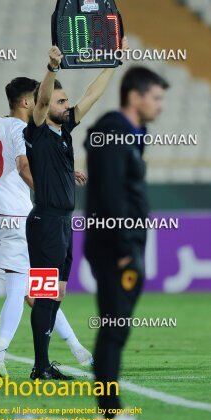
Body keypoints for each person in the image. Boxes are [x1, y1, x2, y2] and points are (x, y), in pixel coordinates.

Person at [0, 73, 93, 378]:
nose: (41, 102)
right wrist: (48, 190)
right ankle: (0, 356)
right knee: (30, 290)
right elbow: (25, 166)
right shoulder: (23, 129)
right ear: (27, 101)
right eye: (37, 98)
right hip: (19, 216)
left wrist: (62, 173)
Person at [24, 40, 128, 380]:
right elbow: (41, 101)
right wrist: (52, 69)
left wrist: (112, 63)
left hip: (63, 224)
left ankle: (43, 363)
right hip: (45, 222)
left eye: (67, 101)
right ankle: (40, 367)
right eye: (61, 101)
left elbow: (91, 96)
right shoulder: (37, 131)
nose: (68, 106)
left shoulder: (64, 130)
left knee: (57, 294)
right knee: (44, 294)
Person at [84, 66, 168, 420]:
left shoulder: (135, 134)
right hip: (115, 245)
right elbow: (111, 194)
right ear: (135, 96)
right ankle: (108, 414)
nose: (160, 106)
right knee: (113, 328)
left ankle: (110, 411)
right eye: (156, 97)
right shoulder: (110, 132)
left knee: (117, 327)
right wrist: (121, 246)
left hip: (129, 243)